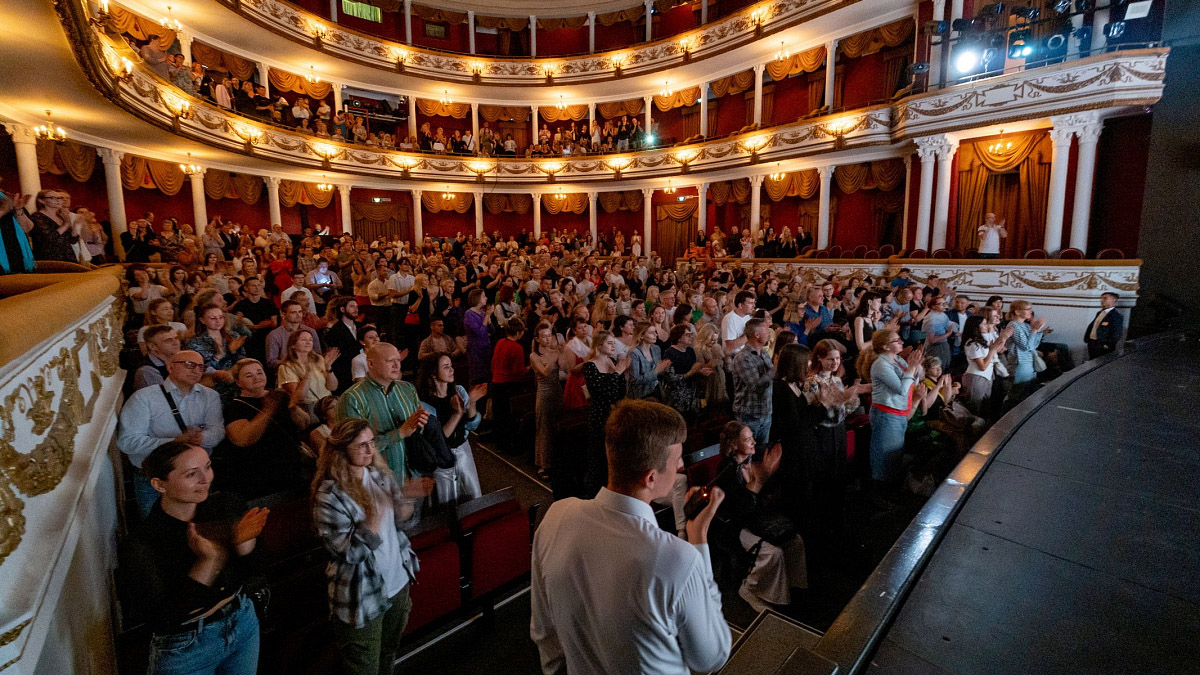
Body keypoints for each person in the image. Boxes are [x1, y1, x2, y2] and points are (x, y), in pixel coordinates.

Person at [530, 400, 731, 675]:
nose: (682, 466)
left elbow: (543, 631)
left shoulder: (557, 515)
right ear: (650, 478)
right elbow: (711, 657)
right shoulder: (679, 559)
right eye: (677, 461)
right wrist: (699, 543)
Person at [119, 441, 268, 675]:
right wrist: (207, 562)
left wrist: (244, 545)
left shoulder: (226, 505)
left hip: (242, 620)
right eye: (191, 474)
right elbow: (162, 619)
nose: (205, 479)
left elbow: (256, 570)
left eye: (207, 467)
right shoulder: (143, 542)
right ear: (159, 485)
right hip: (187, 645)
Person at [312, 418, 433, 675]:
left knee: (389, 652)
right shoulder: (329, 495)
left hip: (397, 580)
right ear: (342, 450)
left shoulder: (379, 475)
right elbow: (349, 554)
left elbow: (402, 525)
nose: (370, 451)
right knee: (364, 664)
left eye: (371, 443)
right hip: (361, 593)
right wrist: (373, 520)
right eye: (361, 446)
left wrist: (408, 501)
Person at [117, 350, 226, 517]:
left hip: (196, 474)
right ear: (170, 367)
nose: (196, 370)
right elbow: (127, 441)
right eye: (189, 364)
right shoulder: (144, 398)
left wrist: (202, 437)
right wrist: (174, 441)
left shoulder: (210, 396)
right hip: (155, 477)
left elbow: (217, 430)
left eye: (201, 367)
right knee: (156, 527)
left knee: (200, 523)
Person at [713, 422, 808, 614]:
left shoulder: (752, 464)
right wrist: (759, 482)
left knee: (795, 541)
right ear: (733, 444)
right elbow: (739, 511)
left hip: (756, 520)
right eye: (748, 439)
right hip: (736, 527)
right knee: (773, 553)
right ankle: (750, 589)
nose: (754, 442)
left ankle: (790, 585)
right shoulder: (727, 472)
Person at [337, 343, 429, 478]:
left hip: (414, 475)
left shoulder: (407, 389)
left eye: (398, 360)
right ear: (371, 364)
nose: (396, 365)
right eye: (390, 361)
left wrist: (420, 423)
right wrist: (400, 432)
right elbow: (353, 450)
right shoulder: (353, 398)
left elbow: (417, 431)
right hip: (378, 482)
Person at [221, 359, 309, 498]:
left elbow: (304, 424)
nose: (256, 378)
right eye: (249, 376)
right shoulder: (235, 407)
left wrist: (293, 408)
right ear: (238, 382)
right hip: (262, 477)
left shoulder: (279, 396)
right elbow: (242, 439)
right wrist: (268, 410)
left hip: (293, 469)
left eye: (259, 372)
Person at [415, 354, 486, 502]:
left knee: (473, 494)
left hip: (463, 451)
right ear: (434, 374)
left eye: (451, 366)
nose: (451, 370)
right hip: (441, 458)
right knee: (447, 499)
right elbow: (439, 439)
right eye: (446, 367)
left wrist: (472, 403)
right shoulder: (424, 404)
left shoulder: (459, 391)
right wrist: (457, 413)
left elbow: (471, 425)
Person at [866, 330, 922, 484]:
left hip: (898, 413)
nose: (901, 342)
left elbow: (913, 383)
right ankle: (878, 493)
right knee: (883, 458)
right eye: (896, 340)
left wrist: (915, 368)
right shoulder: (880, 364)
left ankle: (889, 490)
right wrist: (911, 368)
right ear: (885, 346)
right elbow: (902, 390)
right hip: (886, 415)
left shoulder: (897, 360)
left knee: (894, 456)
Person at [580, 330, 630, 496]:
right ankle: (593, 493)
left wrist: (620, 373)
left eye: (614, 343)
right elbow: (601, 391)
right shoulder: (590, 366)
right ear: (599, 345)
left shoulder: (613, 362)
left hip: (615, 413)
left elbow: (620, 391)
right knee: (598, 457)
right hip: (600, 415)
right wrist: (617, 373)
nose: (613, 346)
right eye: (610, 343)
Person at [529, 321, 566, 480]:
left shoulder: (554, 351)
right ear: (537, 339)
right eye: (543, 337)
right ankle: (544, 464)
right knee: (544, 429)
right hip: (544, 394)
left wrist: (563, 354)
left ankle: (557, 460)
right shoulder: (534, 355)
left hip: (557, 391)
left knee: (557, 427)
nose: (547, 339)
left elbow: (565, 369)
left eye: (549, 336)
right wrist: (555, 356)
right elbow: (544, 372)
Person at [731, 318, 775, 445]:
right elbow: (756, 386)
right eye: (766, 330)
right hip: (749, 415)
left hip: (766, 412)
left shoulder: (764, 354)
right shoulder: (743, 358)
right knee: (747, 453)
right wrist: (773, 371)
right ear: (757, 334)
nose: (769, 333)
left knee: (762, 453)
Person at [276, 329, 337, 420]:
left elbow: (332, 387)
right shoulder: (286, 367)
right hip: (309, 408)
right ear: (293, 345)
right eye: (304, 340)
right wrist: (308, 374)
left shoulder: (318, 359)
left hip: (328, 403)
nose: (308, 342)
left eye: (311, 339)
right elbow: (299, 397)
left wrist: (328, 368)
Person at [489, 318, 529, 455]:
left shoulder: (500, 342)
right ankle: (508, 446)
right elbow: (518, 372)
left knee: (499, 416)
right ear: (518, 332)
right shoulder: (517, 348)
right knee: (508, 417)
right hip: (507, 385)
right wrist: (529, 368)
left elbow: (493, 362)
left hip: (496, 382)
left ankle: (499, 444)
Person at [960, 315, 1012, 417]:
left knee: (985, 405)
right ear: (976, 327)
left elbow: (997, 350)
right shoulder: (972, 344)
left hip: (987, 376)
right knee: (975, 407)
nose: (986, 326)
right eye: (983, 324)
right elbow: (982, 366)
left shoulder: (981, 340)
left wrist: (1003, 338)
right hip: (976, 377)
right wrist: (992, 350)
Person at [1006, 300, 1048, 404]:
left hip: (1029, 362)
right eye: (1027, 309)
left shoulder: (1024, 325)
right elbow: (1025, 346)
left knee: (1027, 392)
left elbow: (1034, 345)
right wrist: (1034, 330)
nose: (1030, 311)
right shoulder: (1013, 325)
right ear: (1017, 312)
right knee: (1018, 394)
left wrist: (1037, 330)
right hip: (1020, 363)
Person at [265, 300, 324, 370]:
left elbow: (318, 354)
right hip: (286, 372)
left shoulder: (310, 331)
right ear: (283, 314)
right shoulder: (274, 335)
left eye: (300, 312)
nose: (298, 315)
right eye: (293, 312)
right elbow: (271, 362)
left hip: (310, 370)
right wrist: (294, 363)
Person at [323, 297, 361, 395]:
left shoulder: (361, 326)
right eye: (352, 306)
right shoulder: (334, 332)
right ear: (342, 309)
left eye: (356, 307)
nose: (356, 309)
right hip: (345, 375)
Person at [627, 322, 668, 400]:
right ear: (641, 336)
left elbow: (659, 372)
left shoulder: (656, 348)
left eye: (655, 332)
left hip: (655, 391)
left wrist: (664, 368)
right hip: (640, 395)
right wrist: (656, 371)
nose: (656, 335)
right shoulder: (634, 353)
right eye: (651, 333)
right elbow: (635, 380)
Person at [1084, 292, 1123, 360]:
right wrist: (1088, 339)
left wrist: (1106, 345)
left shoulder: (1116, 316)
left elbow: (1116, 333)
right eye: (1101, 298)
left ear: (1113, 300)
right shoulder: (1100, 313)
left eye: (1105, 298)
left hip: (1102, 346)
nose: (1102, 300)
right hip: (1093, 343)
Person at [721, 291, 756, 357]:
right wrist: (750, 335)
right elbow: (730, 346)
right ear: (740, 305)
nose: (753, 306)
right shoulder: (730, 319)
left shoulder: (748, 317)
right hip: (735, 357)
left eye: (754, 303)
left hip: (748, 354)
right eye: (750, 303)